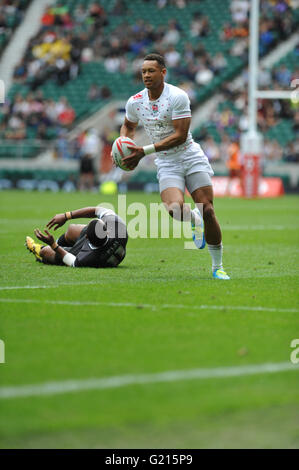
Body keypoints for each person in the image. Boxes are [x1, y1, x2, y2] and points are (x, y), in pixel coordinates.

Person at [120, 53, 230, 279]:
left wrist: (144, 151)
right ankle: (193, 219)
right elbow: (128, 126)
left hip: (190, 156)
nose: (146, 75)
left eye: (151, 71)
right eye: (143, 71)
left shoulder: (178, 96)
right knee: (174, 209)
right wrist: (123, 144)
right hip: (167, 162)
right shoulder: (135, 102)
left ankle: (217, 267)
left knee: (207, 208)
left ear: (163, 72)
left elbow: (180, 136)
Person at [25, 206, 128, 268]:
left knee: (46, 252)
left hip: (97, 254)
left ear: (86, 238)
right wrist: (66, 216)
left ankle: (38, 249)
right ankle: (61, 244)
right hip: (103, 245)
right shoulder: (119, 228)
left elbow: (72, 262)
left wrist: (53, 245)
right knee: (71, 229)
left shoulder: (87, 258)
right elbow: (96, 210)